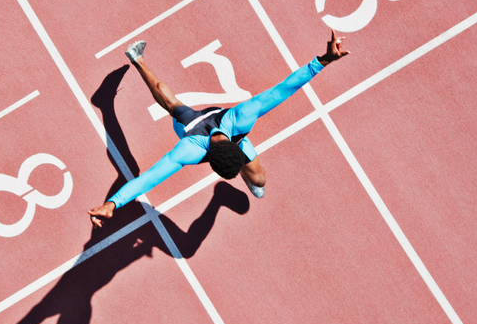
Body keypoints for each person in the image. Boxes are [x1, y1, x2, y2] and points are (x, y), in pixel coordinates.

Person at [88, 31, 349, 227]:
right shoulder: (190, 148)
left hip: (212, 130)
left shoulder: (241, 119)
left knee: (257, 180)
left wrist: (114, 203)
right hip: (191, 129)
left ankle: (134, 63)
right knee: (172, 105)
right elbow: (149, 178)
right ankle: (137, 59)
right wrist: (114, 203)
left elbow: (282, 90)